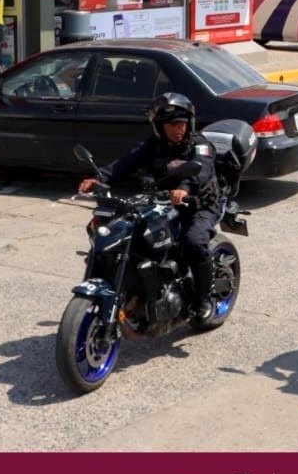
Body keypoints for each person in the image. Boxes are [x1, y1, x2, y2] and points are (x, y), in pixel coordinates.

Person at [78, 93, 223, 320]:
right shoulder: (153, 145)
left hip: (200, 203)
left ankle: (203, 299)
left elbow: (202, 168)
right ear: (159, 127)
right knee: (130, 234)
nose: (177, 129)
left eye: (181, 123)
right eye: (170, 124)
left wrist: (185, 188)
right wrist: (100, 178)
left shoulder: (201, 145)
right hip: (162, 201)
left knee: (194, 241)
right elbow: (125, 162)